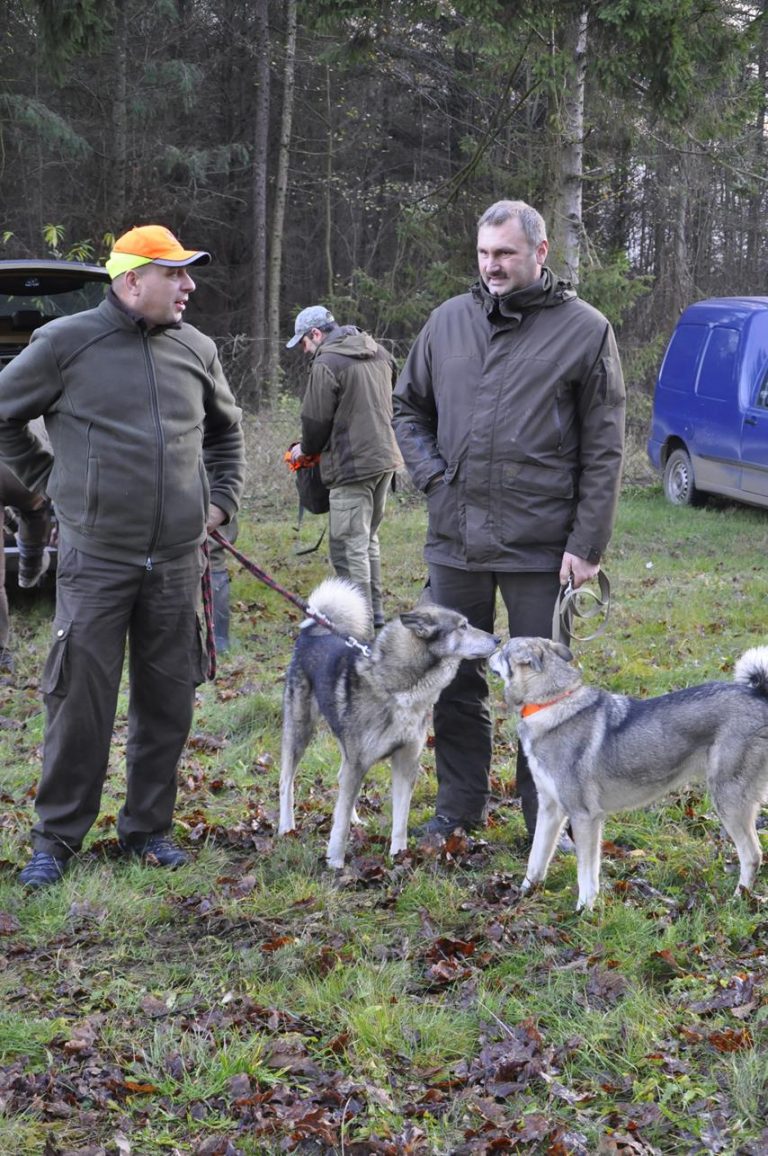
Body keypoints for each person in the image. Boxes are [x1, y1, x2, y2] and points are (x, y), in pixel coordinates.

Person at [0, 224, 245, 888]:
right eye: (177, 274)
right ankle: (56, 839)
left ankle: (149, 829)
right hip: (96, 561)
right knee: (79, 701)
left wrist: (219, 503)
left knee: (168, 703)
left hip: (174, 564)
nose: (190, 286)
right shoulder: (64, 345)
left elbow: (226, 434)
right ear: (133, 279)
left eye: (188, 274)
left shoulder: (197, 348)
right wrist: (50, 483)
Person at [392, 199, 625, 840]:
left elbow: (605, 448)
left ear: (540, 253)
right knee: (456, 680)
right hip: (455, 540)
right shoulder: (447, 323)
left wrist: (588, 542)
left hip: (541, 545)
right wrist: (435, 480)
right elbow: (406, 408)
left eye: (506, 254)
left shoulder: (586, 330)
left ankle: (546, 816)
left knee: (546, 694)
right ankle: (457, 811)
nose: (492, 266)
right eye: (485, 254)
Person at [286, 305, 403, 633]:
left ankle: (357, 632)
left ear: (316, 334)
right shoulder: (378, 351)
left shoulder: (327, 362)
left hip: (352, 466)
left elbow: (315, 420)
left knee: (348, 548)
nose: (305, 351)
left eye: (304, 343)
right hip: (385, 460)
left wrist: (305, 451)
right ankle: (375, 615)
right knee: (367, 541)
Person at [0, 461, 53, 671]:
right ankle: (30, 569)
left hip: (19, 470)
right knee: (36, 508)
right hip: (24, 470)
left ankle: (1, 653)